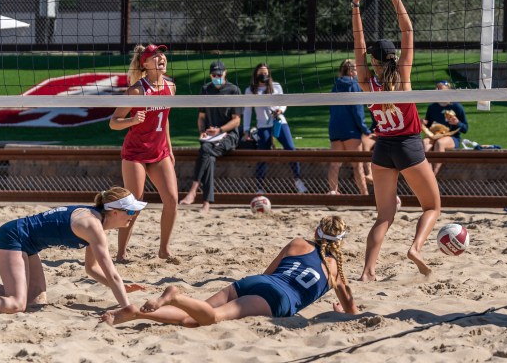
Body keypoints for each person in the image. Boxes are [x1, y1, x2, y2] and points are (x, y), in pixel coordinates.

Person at [100, 215, 358, 326]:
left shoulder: (298, 243)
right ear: (342, 242)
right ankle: (175, 295)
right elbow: (353, 313)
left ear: (316, 232)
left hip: (255, 283)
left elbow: (268, 272)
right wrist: (340, 311)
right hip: (275, 299)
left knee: (193, 317)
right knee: (209, 319)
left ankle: (135, 313)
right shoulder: (338, 275)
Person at [352, 0, 441, 281]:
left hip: (382, 150)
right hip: (408, 146)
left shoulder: (366, 81)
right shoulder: (402, 75)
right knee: (432, 206)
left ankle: (367, 271)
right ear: (392, 57)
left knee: (384, 216)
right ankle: (415, 248)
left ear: (373, 61)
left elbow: (358, 42)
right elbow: (408, 32)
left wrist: (355, 5)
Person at [0, 187, 146, 314]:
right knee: (16, 304)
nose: (134, 216)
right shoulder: (92, 225)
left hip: (28, 244)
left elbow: (91, 268)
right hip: (12, 237)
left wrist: (120, 288)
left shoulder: (96, 222)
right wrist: (126, 307)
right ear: (114, 212)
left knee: (35, 301)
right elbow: (112, 274)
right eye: (131, 212)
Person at [110, 44, 178, 261]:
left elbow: (164, 120)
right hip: (135, 154)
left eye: (162, 55)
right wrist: (131, 120)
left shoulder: (171, 86)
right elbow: (113, 123)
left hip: (159, 152)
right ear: (145, 64)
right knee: (135, 203)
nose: (161, 58)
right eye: (155, 56)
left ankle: (164, 250)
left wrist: (169, 147)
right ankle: (121, 253)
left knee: (172, 199)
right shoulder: (137, 91)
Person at [179, 61, 243, 213]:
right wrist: (202, 131)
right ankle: (206, 202)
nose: (217, 77)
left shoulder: (234, 90)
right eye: (214, 75)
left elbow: (237, 120)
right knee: (209, 156)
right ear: (210, 75)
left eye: (219, 75)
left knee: (205, 151)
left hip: (229, 136)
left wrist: (220, 130)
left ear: (225, 73)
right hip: (210, 137)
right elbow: (201, 117)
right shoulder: (206, 89)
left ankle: (193, 190)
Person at [243, 63, 308, 194]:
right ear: (256, 74)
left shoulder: (276, 86)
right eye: (261, 72)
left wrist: (280, 110)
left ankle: (298, 181)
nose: (264, 75)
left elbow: (283, 102)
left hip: (279, 122)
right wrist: (246, 129)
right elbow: (247, 111)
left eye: (266, 73)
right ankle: (260, 187)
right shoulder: (250, 90)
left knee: (291, 149)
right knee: (263, 154)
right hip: (263, 125)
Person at [328, 59, 372, 195]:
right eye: (358, 70)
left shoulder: (335, 86)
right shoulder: (354, 85)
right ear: (352, 71)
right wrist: (365, 129)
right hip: (350, 129)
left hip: (335, 128)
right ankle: (364, 195)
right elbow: (357, 111)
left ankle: (333, 193)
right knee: (357, 165)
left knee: (335, 165)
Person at [422, 81, 469, 175]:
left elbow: (465, 128)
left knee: (440, 143)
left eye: (441, 90)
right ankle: (427, 173)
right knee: (425, 143)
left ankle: (434, 173)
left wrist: (457, 123)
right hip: (435, 135)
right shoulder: (432, 107)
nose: (439, 92)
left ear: (448, 91)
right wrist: (423, 123)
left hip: (452, 137)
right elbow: (428, 124)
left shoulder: (456, 106)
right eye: (437, 89)